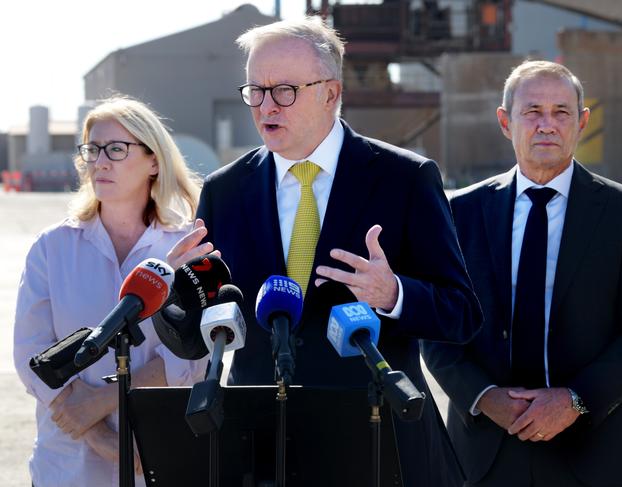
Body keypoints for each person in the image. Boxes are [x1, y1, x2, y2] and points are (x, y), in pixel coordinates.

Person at [166, 16, 482, 487]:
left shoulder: (405, 179)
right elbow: (196, 339)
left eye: (284, 91)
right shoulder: (224, 190)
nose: (265, 105)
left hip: (375, 436)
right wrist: (179, 293)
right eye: (255, 90)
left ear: (330, 93)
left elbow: (461, 315)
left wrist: (394, 293)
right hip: (261, 442)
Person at [423, 60, 622, 487]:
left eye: (561, 112)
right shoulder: (460, 213)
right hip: (486, 447)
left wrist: (575, 400)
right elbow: (437, 326)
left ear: (581, 122)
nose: (547, 125)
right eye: (533, 112)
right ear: (506, 122)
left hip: (591, 446)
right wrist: (487, 399)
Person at [13, 96, 207, 487]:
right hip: (68, 468)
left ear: (154, 161)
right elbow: (30, 356)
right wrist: (101, 437)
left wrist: (102, 400)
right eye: (93, 149)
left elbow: (192, 359)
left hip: (159, 456)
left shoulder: (187, 246)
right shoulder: (52, 247)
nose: (100, 161)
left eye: (117, 149)